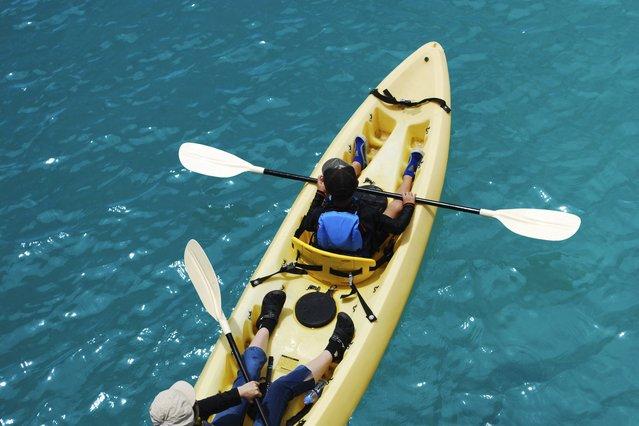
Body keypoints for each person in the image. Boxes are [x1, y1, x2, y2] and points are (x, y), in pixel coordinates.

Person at [150, 290, 355, 426]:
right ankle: (334, 350)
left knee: (246, 377)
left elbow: (203, 407)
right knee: (279, 389)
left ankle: (266, 323)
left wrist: (240, 393)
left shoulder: (186, 417)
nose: (194, 406)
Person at [296, 135, 423, 257]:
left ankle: (358, 162)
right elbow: (397, 227)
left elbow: (307, 224)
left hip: (325, 256)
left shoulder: (320, 211)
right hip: (361, 255)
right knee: (396, 206)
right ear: (357, 185)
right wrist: (409, 205)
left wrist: (319, 194)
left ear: (327, 191)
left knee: (342, 176)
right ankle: (408, 175)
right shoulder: (367, 213)